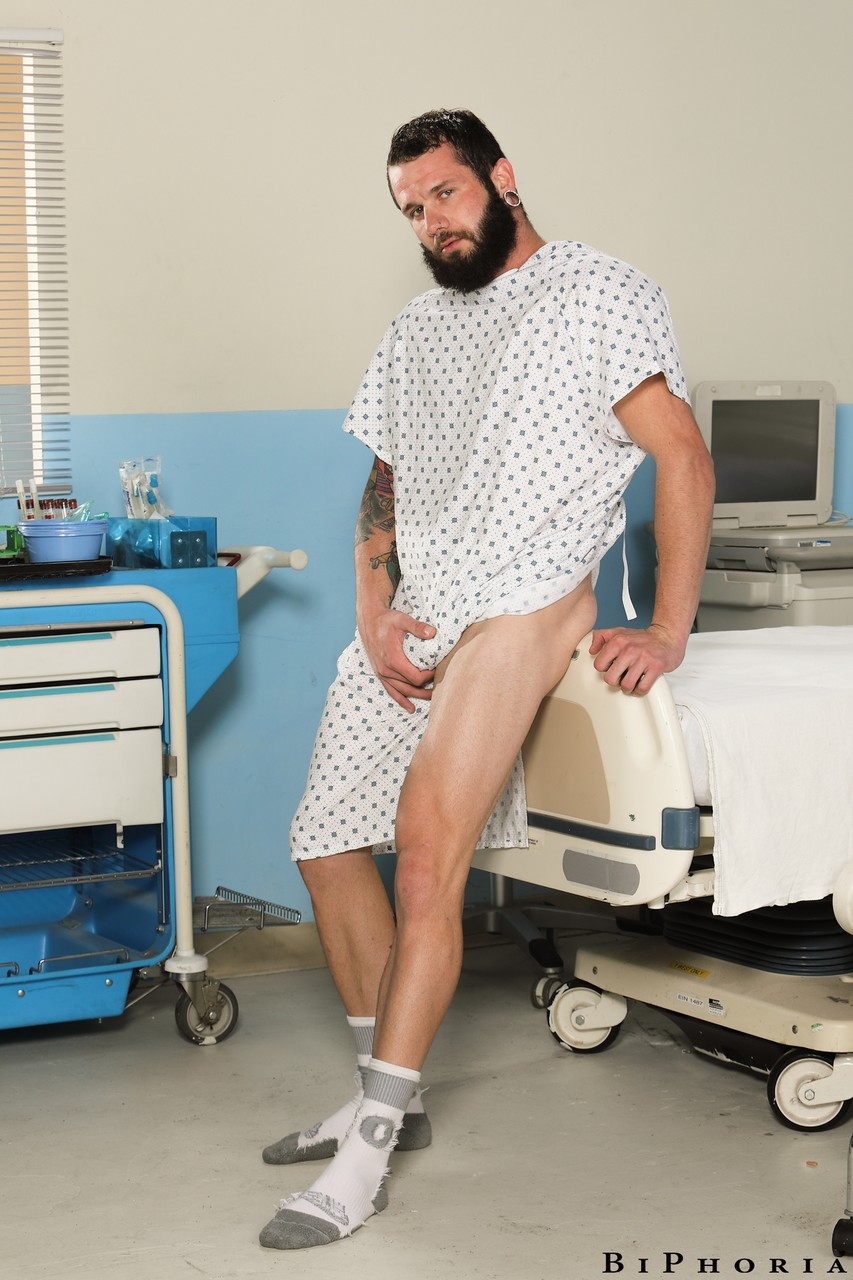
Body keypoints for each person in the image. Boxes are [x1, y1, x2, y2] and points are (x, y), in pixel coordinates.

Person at [259, 108, 715, 1251]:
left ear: (502, 178)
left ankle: (365, 1154)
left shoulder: (597, 292)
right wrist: (373, 610)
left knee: (425, 855)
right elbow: (383, 482)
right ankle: (390, 1088)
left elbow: (680, 452)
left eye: (446, 194)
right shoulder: (417, 327)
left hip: (529, 600)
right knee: (323, 842)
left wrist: (666, 627)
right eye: (411, 208)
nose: (430, 221)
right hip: (422, 609)